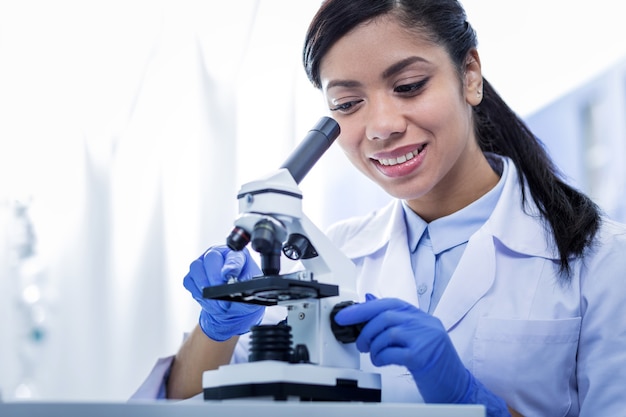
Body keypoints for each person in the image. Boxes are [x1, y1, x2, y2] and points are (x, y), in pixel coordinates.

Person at [132, 0, 626, 415]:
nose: (381, 125)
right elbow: (182, 402)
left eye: (408, 86)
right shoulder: (337, 252)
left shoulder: (604, 260)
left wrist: (471, 400)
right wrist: (216, 327)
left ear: (470, 75)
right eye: (348, 104)